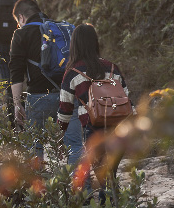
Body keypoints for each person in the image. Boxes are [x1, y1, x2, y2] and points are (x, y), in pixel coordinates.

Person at [57, 24, 135, 193]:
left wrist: (59, 131)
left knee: (104, 177)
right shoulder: (112, 68)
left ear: (74, 44)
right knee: (109, 175)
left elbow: (65, 109)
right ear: (95, 42)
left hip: (93, 130)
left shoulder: (72, 72)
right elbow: (127, 99)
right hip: (118, 129)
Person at [9, 0, 83, 166]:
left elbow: (16, 71)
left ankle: (39, 189)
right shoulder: (61, 29)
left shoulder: (21, 34)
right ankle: (82, 189)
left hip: (38, 97)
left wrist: (16, 103)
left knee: (34, 148)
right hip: (68, 94)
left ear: (21, 17)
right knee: (75, 146)